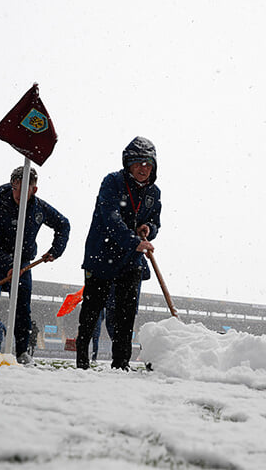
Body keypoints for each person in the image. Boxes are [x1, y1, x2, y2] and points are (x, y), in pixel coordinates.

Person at [76, 136, 161, 370]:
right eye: (138, 162)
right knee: (92, 312)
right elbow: (110, 217)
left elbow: (155, 222)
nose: (143, 168)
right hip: (101, 256)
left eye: (148, 163)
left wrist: (148, 229)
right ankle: (82, 362)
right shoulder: (112, 182)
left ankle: (121, 363)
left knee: (126, 314)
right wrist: (133, 240)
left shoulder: (154, 193)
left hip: (130, 260)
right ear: (128, 163)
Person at [0, 166, 70, 364]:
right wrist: (9, 263)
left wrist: (55, 250)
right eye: (15, 187)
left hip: (23, 264)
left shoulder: (39, 208)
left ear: (34, 189)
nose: (18, 193)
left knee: (22, 308)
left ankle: (22, 352)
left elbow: (63, 224)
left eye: (24, 188)